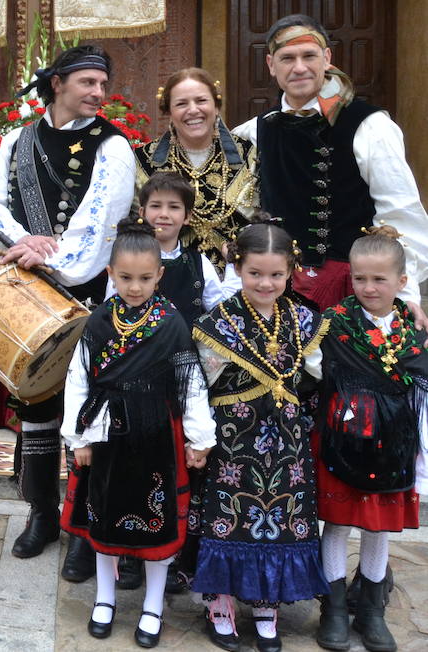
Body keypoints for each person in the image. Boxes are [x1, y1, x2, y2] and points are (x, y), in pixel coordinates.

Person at [0, 45, 137, 579]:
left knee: (87, 412)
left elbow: (100, 224)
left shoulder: (113, 146)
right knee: (36, 409)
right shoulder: (15, 141)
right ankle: (42, 513)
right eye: (87, 82)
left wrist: (51, 258)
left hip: (86, 294)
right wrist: (24, 242)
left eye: (101, 84)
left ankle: (85, 529)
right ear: (59, 83)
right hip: (29, 294)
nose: (97, 93)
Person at [61, 219, 215, 648]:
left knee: (158, 524)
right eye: (126, 277)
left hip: (156, 438)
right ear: (110, 273)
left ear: (159, 275)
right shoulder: (97, 322)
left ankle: (152, 605)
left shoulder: (172, 324)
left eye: (145, 278)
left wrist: (199, 438)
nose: (135, 286)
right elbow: (79, 379)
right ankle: (105, 598)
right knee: (105, 518)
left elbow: (190, 382)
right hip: (107, 435)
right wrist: (82, 439)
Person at [189, 222, 327, 652]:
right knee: (228, 517)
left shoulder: (304, 319)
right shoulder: (218, 323)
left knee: (280, 520)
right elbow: (199, 386)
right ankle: (220, 603)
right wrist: (200, 437)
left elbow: (318, 374)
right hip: (233, 441)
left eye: (276, 275)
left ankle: (267, 605)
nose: (265, 284)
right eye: (255, 273)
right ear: (237, 267)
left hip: (287, 443)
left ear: (290, 272)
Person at [232, 15, 428, 312]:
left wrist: (403, 292)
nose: (299, 67)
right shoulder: (252, 133)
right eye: (287, 58)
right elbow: (241, 215)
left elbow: (399, 214)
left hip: (354, 291)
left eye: (309, 55)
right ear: (271, 65)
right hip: (276, 293)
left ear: (326, 58)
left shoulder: (370, 126)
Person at [314, 227, 426, 652]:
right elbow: (310, 370)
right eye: (360, 278)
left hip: (394, 445)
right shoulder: (333, 324)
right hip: (344, 441)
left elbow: (421, 387)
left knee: (378, 529)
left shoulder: (412, 330)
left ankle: (372, 611)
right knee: (339, 523)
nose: (368, 287)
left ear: (401, 282)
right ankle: (335, 609)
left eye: (379, 279)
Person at [138, 68, 258, 269]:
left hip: (239, 279)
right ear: (169, 112)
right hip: (165, 277)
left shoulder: (250, 156)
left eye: (201, 101)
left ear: (217, 106)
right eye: (181, 103)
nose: (193, 110)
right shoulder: (144, 161)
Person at [106, 173, 240, 325]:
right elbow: (109, 312)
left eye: (174, 207)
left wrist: (232, 264)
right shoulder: (126, 258)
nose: (164, 214)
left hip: (186, 347)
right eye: (156, 206)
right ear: (142, 213)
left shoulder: (198, 263)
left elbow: (220, 310)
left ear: (187, 216)